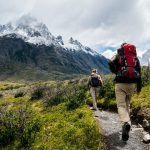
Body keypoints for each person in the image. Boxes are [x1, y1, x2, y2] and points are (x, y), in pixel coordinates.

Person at [109, 43, 142, 141]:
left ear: (122, 47)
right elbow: (139, 72)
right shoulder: (135, 57)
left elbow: (110, 63)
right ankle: (127, 126)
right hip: (132, 84)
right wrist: (139, 87)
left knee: (121, 106)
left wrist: (116, 71)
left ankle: (126, 122)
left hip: (120, 83)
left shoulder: (119, 55)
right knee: (127, 105)